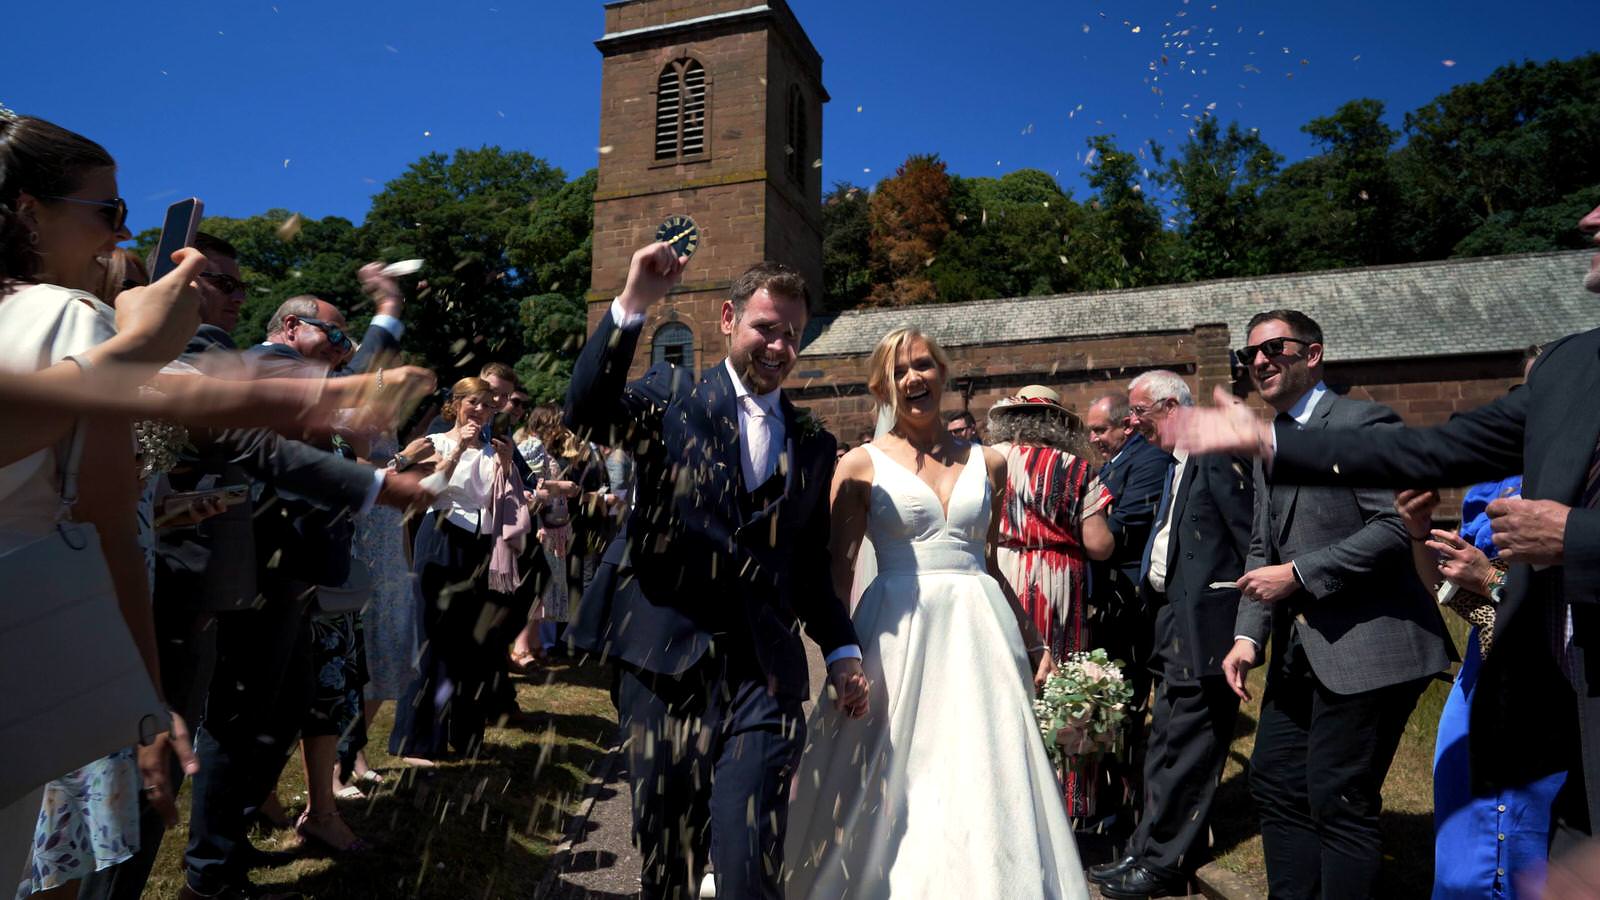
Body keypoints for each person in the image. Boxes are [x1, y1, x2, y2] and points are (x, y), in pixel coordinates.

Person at [563, 244, 868, 899]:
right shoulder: (667, 398)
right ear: (729, 319)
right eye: (766, 327)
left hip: (765, 671)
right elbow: (585, 411)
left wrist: (841, 649)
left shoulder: (812, 442)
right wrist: (634, 301)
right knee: (668, 857)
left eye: (792, 335)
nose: (779, 345)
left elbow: (810, 567)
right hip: (665, 658)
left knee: (749, 854)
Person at [783, 329, 1087, 898]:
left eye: (923, 366)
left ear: (944, 374)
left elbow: (990, 562)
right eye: (899, 371)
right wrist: (840, 656)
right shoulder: (858, 466)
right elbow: (840, 574)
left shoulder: (989, 462)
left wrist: (1037, 641)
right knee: (900, 766)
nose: (913, 378)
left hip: (980, 634)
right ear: (883, 387)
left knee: (986, 761)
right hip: (896, 634)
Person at [0, 113, 202, 899]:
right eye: (107, 211)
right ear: (28, 214)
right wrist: (147, 707)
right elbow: (110, 525)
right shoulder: (68, 321)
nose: (121, 235)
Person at [1198, 309, 1454, 899]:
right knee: (1274, 782)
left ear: (1312, 355)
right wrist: (1247, 637)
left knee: (1339, 798)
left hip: (1372, 647)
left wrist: (1301, 573)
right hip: (1301, 652)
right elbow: (1263, 546)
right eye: (1250, 354)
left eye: (1275, 348)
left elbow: (1397, 528)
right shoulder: (1273, 443)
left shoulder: (1364, 424)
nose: (1259, 361)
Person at [1089, 370, 1254, 900]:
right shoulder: (1176, 463)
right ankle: (1145, 848)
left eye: (1139, 413)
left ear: (1171, 407)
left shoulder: (1215, 459)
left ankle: (1166, 861)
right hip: (1168, 620)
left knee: (1190, 750)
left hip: (1207, 628)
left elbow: (1251, 540)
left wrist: (1242, 631)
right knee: (1162, 743)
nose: (1133, 424)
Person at [986, 384, 1114, 817]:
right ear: (1059, 424)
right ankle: (1062, 804)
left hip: (999, 570)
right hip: (1058, 578)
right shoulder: (1075, 468)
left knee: (1003, 684)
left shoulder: (985, 461)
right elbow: (1098, 544)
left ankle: (1004, 801)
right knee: (1061, 686)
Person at [389, 376, 527, 763]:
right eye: (474, 403)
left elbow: (504, 500)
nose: (481, 411)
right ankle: (416, 739)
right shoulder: (439, 442)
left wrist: (505, 463)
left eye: (487, 405)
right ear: (456, 403)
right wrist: (457, 451)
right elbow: (428, 491)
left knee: (471, 644)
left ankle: (464, 735)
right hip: (441, 536)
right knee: (432, 641)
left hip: (479, 545)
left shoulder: (493, 447)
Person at [1089, 387, 1171, 836]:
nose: (1094, 438)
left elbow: (1118, 532)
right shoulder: (1113, 464)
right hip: (1112, 607)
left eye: (1101, 429)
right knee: (1113, 710)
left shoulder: (1149, 463)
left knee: (1130, 710)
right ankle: (1114, 806)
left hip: (1134, 609)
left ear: (1126, 425)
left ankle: (1133, 814)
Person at [1086, 392, 1135, 466]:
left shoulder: (1143, 464)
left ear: (1127, 426)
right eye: (1090, 431)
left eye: (1099, 430)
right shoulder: (1112, 463)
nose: (1092, 440)